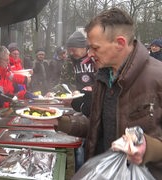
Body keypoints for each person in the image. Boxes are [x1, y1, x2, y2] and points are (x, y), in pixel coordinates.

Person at [58, 8, 162, 179]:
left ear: (120, 43)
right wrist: (61, 122)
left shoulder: (158, 78)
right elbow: (98, 127)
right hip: (103, 172)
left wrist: (148, 148)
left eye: (95, 48)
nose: (90, 54)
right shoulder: (103, 77)